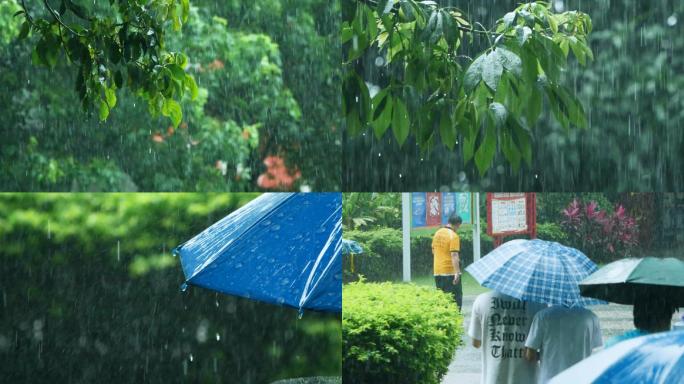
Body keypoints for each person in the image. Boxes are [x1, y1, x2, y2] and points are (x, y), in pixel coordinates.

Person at [468, 290, 546, 384]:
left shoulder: (482, 300)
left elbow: (476, 343)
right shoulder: (539, 303)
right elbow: (539, 349)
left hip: (492, 378)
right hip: (527, 379)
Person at [524, 305, 603, 383]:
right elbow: (597, 352)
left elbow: (530, 355)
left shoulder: (542, 316)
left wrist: (546, 355)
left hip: (550, 379)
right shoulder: (591, 317)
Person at [604, 297, 678, 348]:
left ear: (636, 314)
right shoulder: (669, 348)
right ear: (663, 320)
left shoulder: (614, 343)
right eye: (670, 315)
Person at [432, 214, 463, 310]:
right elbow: (454, 255)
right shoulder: (454, 236)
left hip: (437, 271)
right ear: (457, 224)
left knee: (442, 299)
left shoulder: (437, 233)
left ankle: (443, 319)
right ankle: (455, 320)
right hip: (449, 272)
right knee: (455, 298)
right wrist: (457, 272)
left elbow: (433, 250)